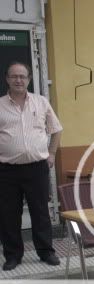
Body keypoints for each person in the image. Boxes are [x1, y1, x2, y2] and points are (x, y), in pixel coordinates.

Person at [0, 61, 62, 271]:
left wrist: (52, 153)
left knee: (40, 212)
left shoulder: (41, 102)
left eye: (22, 76)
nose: (18, 80)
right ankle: (13, 256)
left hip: (37, 168)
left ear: (29, 79)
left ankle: (46, 252)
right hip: (7, 170)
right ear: (7, 79)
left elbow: (56, 129)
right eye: (14, 76)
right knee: (9, 214)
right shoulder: (0, 105)